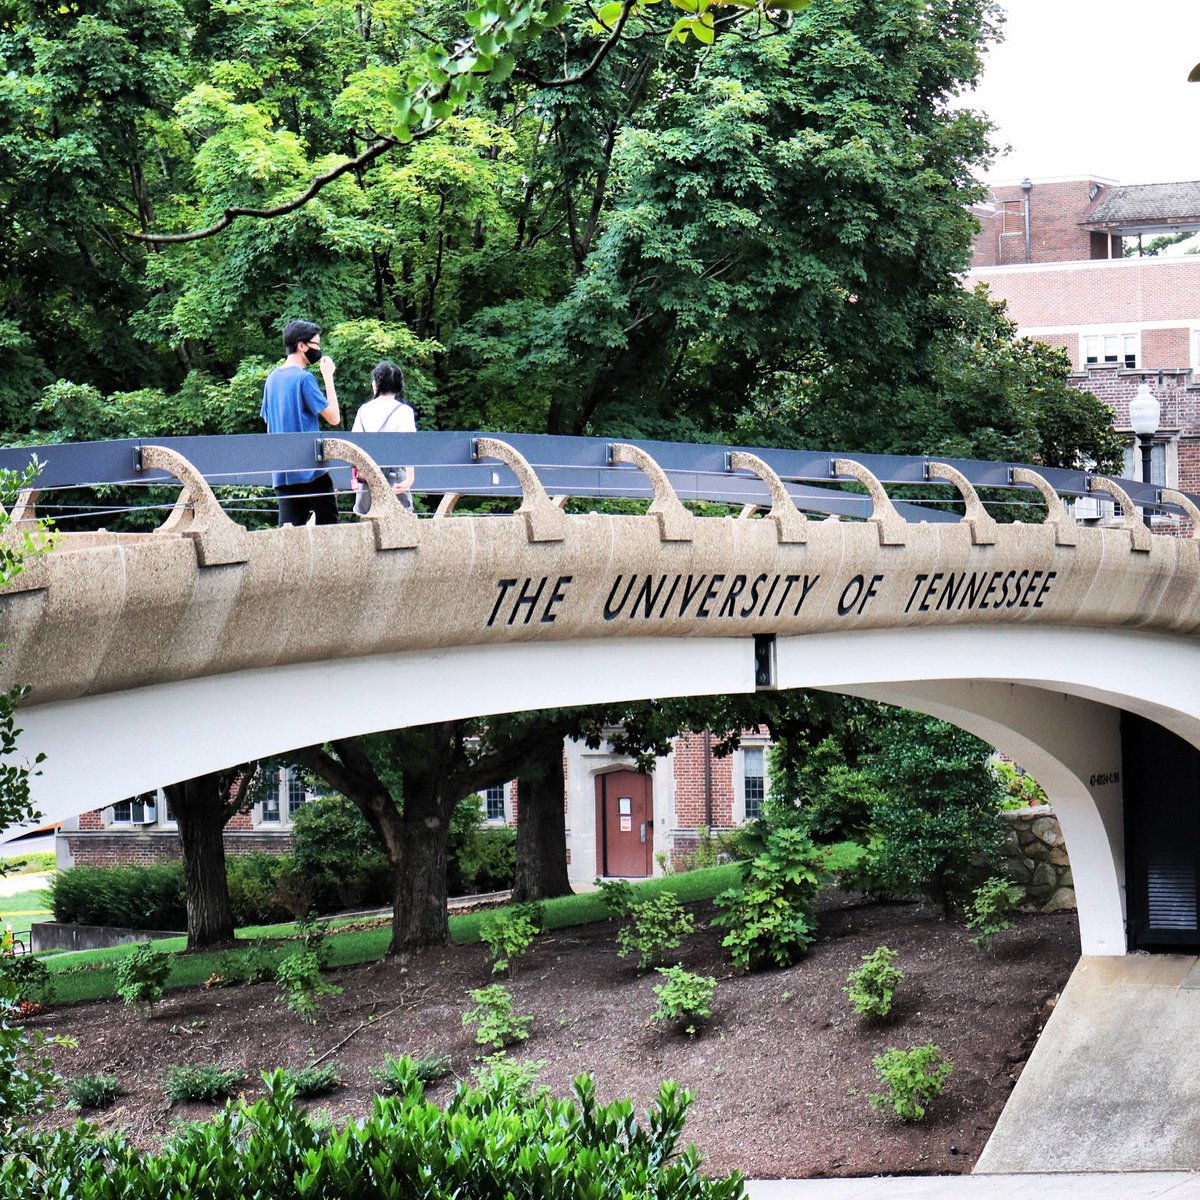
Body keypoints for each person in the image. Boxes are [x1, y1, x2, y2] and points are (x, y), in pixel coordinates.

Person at [260, 319, 341, 526]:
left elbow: (269, 425)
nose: (319, 349)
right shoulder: (304, 379)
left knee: (289, 535)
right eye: (316, 344)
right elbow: (334, 417)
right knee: (329, 527)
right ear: (301, 345)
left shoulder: (272, 379)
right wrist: (328, 377)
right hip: (310, 469)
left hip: (283, 471)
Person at [350, 360, 416, 516]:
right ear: (398, 385)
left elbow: (354, 446)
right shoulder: (403, 411)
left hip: (368, 477)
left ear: (376, 384)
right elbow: (410, 446)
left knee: (368, 524)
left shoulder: (364, 410)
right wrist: (409, 480)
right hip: (395, 477)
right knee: (401, 524)